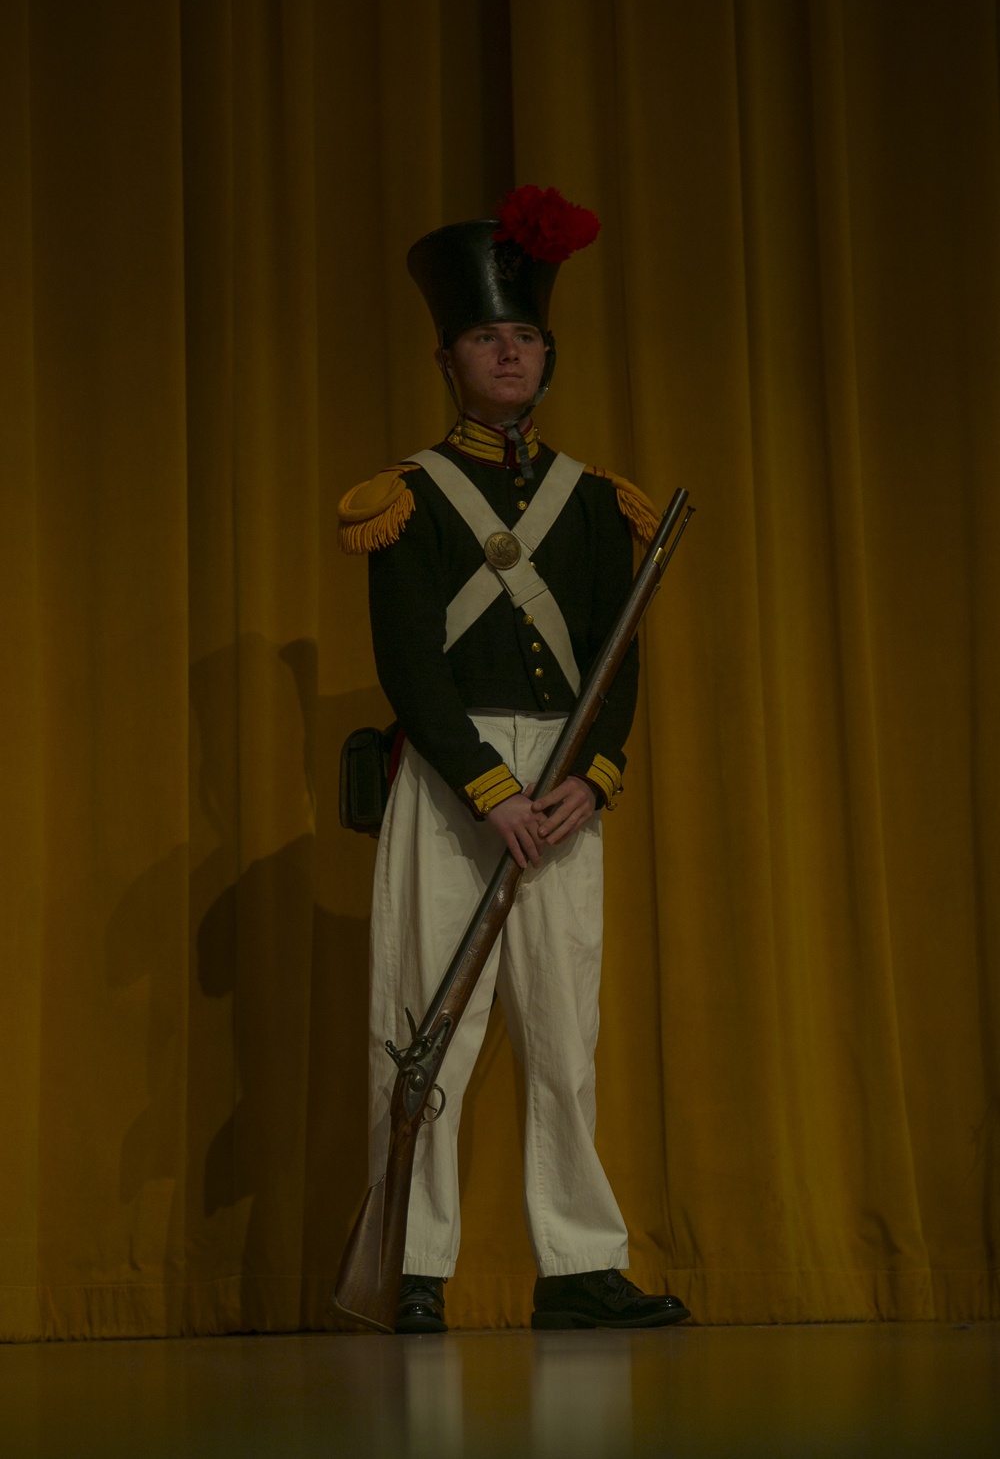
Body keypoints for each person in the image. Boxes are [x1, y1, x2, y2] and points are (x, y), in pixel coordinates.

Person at [338, 186, 690, 1333]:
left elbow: (614, 654)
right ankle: (415, 1269)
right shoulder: (406, 498)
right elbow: (410, 667)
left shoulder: (597, 502)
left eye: (526, 335)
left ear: (549, 354)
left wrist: (595, 777)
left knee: (563, 1033)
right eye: (489, 337)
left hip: (563, 787)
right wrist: (489, 792)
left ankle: (580, 1266)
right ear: (449, 359)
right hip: (457, 781)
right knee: (427, 1027)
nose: (510, 352)